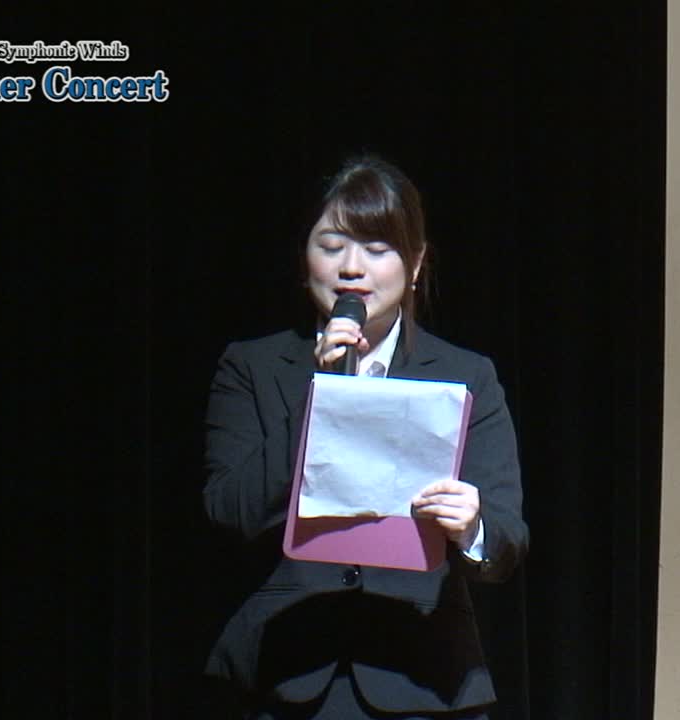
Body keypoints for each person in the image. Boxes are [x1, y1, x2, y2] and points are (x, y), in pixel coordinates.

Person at [202, 155, 528, 719]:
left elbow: (508, 541)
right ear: (304, 259)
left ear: (415, 262)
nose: (352, 268)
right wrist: (319, 396)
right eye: (332, 247)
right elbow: (228, 511)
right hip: (284, 675)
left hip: (424, 677)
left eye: (377, 249)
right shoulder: (252, 367)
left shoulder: (466, 375)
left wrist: (472, 526)